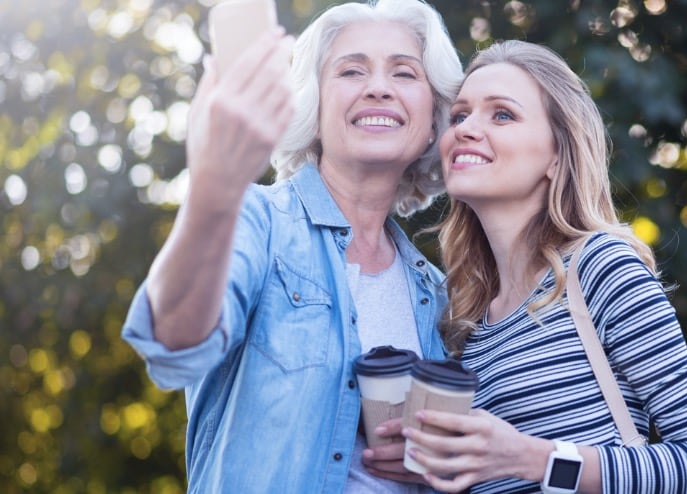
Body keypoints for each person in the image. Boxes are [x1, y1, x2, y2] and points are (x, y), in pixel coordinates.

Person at [120, 0, 463, 491]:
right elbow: (174, 345)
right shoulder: (255, 221)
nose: (379, 87)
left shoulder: (438, 293)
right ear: (313, 105)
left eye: (405, 73)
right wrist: (213, 189)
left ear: (432, 120)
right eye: (351, 70)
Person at [394, 40, 687, 493]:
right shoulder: (464, 321)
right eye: (459, 115)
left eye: (502, 115)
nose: (466, 129)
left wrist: (535, 458)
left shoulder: (601, 268)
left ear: (557, 155)